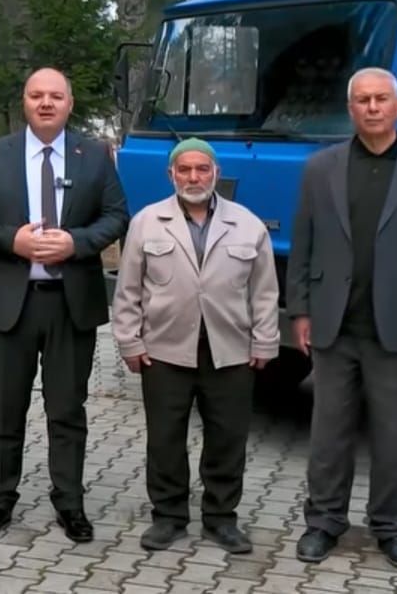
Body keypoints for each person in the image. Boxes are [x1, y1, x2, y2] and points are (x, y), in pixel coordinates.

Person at [286, 67, 397, 570]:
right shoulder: (321, 168)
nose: (371, 107)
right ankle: (323, 522)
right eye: (362, 99)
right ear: (350, 109)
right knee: (328, 435)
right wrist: (299, 309)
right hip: (334, 326)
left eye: (381, 99)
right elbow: (304, 244)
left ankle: (394, 528)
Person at [0, 67, 128, 543]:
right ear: (25, 102)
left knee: (68, 410)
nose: (46, 103)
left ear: (69, 104)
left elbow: (116, 215)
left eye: (55, 96)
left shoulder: (93, 155)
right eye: (37, 95)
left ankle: (69, 503)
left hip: (70, 305)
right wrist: (12, 240)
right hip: (10, 303)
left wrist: (76, 243)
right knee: (4, 410)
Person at [112, 138, 279, 554]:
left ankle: (221, 518)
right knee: (165, 438)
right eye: (184, 170)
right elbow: (128, 289)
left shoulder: (248, 225)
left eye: (201, 169)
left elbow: (264, 292)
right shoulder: (148, 222)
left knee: (228, 438)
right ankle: (168, 517)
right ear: (171, 175)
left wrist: (265, 341)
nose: (193, 177)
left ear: (216, 174)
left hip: (231, 350)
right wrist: (129, 342)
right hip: (165, 349)